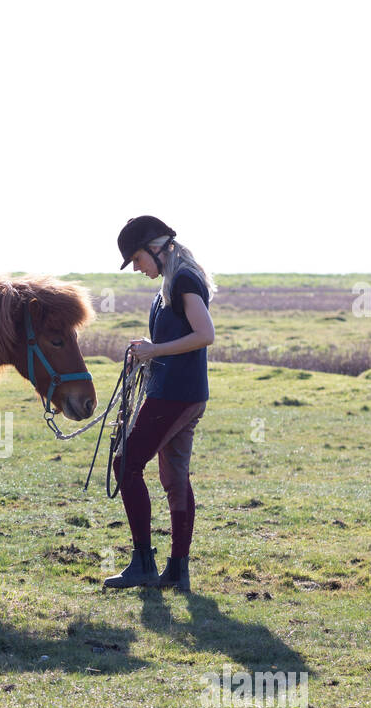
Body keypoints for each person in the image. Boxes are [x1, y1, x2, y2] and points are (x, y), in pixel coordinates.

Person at [105, 215, 216, 590]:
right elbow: (183, 332)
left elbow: (205, 334)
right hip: (185, 393)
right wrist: (150, 348)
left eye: (137, 259)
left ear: (156, 248)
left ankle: (143, 563)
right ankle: (177, 570)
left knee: (126, 465)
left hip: (173, 394)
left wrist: (155, 351)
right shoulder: (173, 281)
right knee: (174, 477)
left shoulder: (183, 280)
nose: (137, 268)